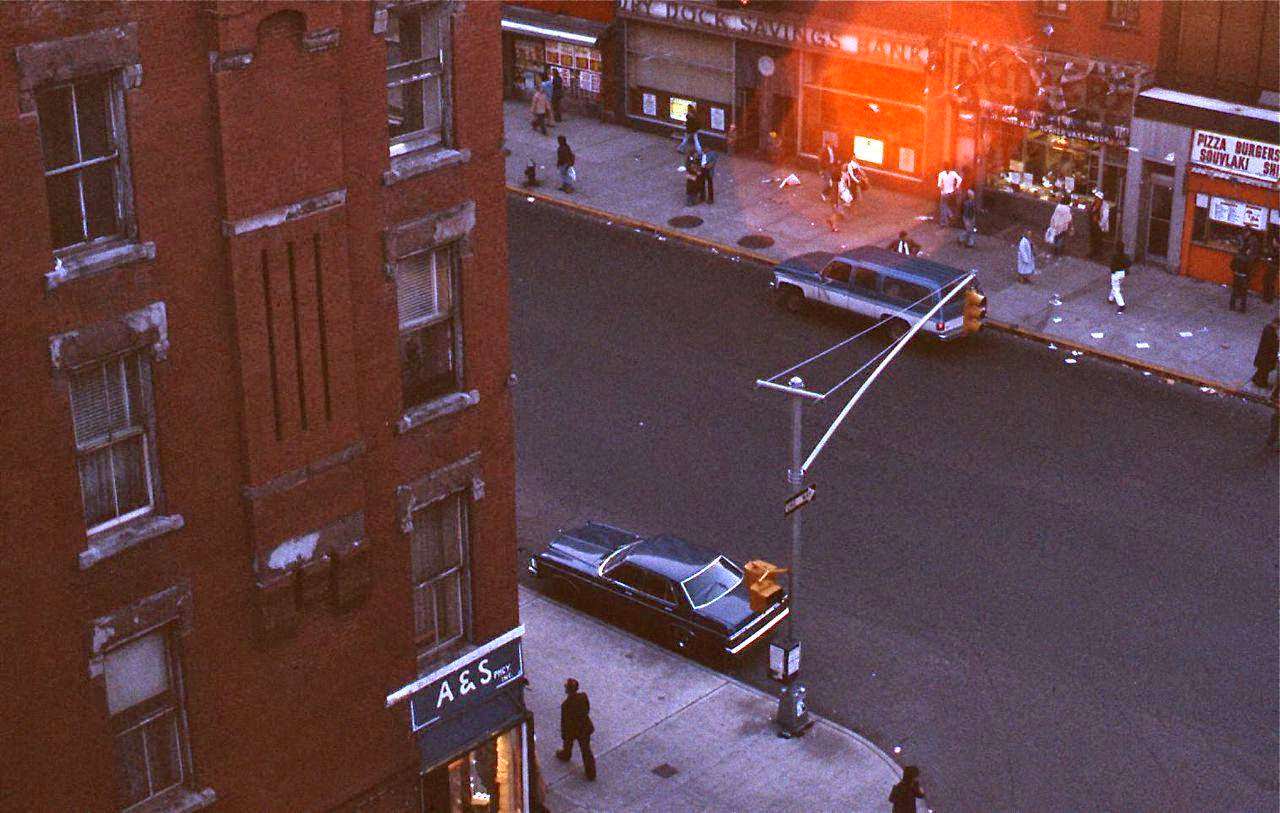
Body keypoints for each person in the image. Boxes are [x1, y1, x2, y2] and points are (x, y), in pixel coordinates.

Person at [556, 678, 595, 780]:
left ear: (568, 690)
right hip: (584, 727)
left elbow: (564, 721)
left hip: (572, 729)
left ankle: (566, 754)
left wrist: (564, 733)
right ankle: (591, 772)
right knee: (586, 750)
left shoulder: (566, 705)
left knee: (568, 743)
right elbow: (587, 709)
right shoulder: (583, 697)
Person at [1253, 317, 1279, 388]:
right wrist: (1277, 341)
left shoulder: (1268, 329)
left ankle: (1256, 378)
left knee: (1262, 369)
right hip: (1266, 355)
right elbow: (1271, 343)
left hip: (1264, 354)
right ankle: (1261, 383)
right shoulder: (1269, 331)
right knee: (1264, 370)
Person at [1229, 244, 1253, 312]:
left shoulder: (1237, 256)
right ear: (1247, 250)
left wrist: (1235, 271)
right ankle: (1242, 308)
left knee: (1234, 291)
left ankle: (1232, 305)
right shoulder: (1248, 259)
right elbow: (1249, 269)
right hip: (1244, 277)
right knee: (1244, 293)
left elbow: (1231, 265)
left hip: (1236, 275)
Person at [1109, 243, 1130, 314]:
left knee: (1116, 289)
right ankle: (1110, 298)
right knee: (1116, 286)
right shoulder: (1125, 256)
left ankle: (1121, 305)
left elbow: (1112, 265)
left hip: (1116, 274)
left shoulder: (1115, 256)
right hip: (1123, 273)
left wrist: (1112, 271)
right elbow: (1129, 263)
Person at [1086, 189, 1105, 259]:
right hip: (1095, 222)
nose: (1094, 197)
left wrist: (1090, 208)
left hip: (1096, 222)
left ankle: (1095, 253)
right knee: (1094, 238)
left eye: (1096, 196)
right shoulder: (1097, 201)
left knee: (1095, 238)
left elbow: (1094, 210)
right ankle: (1095, 252)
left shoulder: (1098, 202)